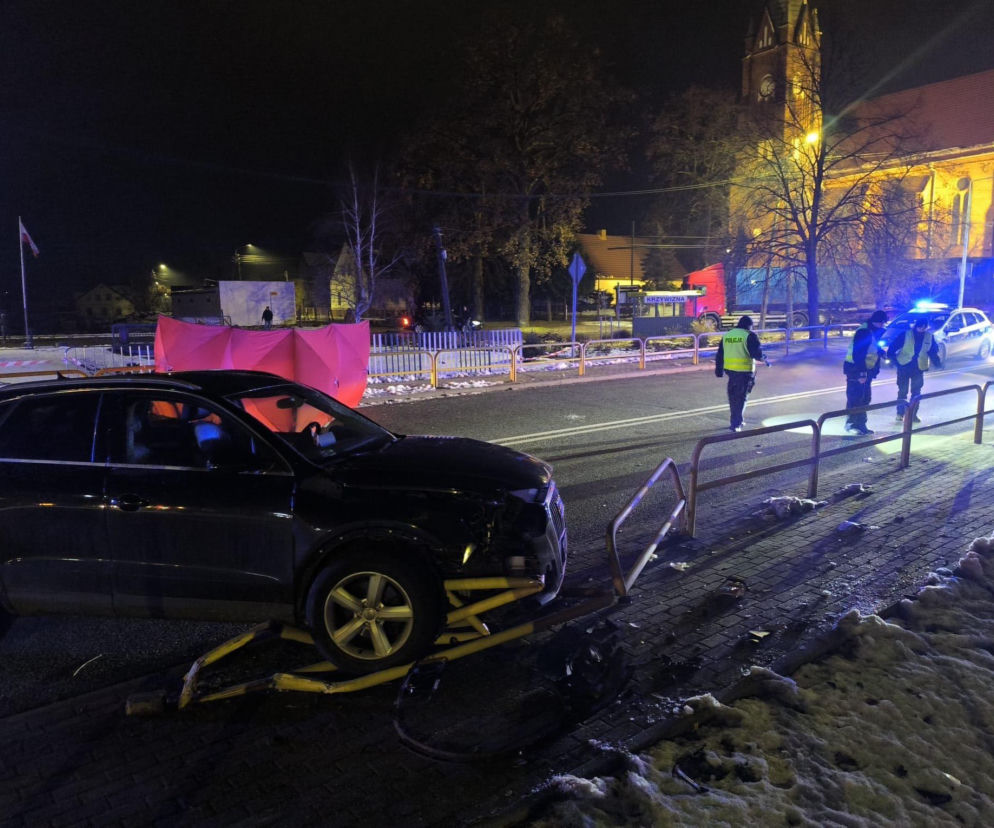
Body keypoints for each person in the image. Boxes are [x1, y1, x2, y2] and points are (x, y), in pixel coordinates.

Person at [715, 315, 768, 432]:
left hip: (730, 371)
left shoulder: (728, 335)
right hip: (745, 372)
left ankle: (736, 420)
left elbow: (720, 354)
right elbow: (756, 354)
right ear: (749, 326)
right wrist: (763, 357)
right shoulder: (749, 335)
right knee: (741, 398)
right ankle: (736, 424)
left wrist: (719, 370)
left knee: (733, 396)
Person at [887, 316, 941, 423]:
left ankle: (913, 415)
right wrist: (894, 361)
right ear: (916, 326)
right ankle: (900, 413)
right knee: (902, 391)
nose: (921, 330)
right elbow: (892, 348)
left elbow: (932, 352)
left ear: (926, 327)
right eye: (920, 327)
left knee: (916, 393)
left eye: (924, 328)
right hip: (904, 366)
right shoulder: (906, 335)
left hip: (919, 368)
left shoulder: (929, 337)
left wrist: (937, 363)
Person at [843, 309, 888, 435]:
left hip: (867, 370)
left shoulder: (874, 331)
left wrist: (882, 353)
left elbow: (874, 347)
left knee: (865, 398)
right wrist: (861, 373)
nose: (883, 325)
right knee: (855, 398)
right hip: (855, 370)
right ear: (876, 321)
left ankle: (861, 425)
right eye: (881, 323)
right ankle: (851, 424)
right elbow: (858, 353)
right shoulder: (864, 332)